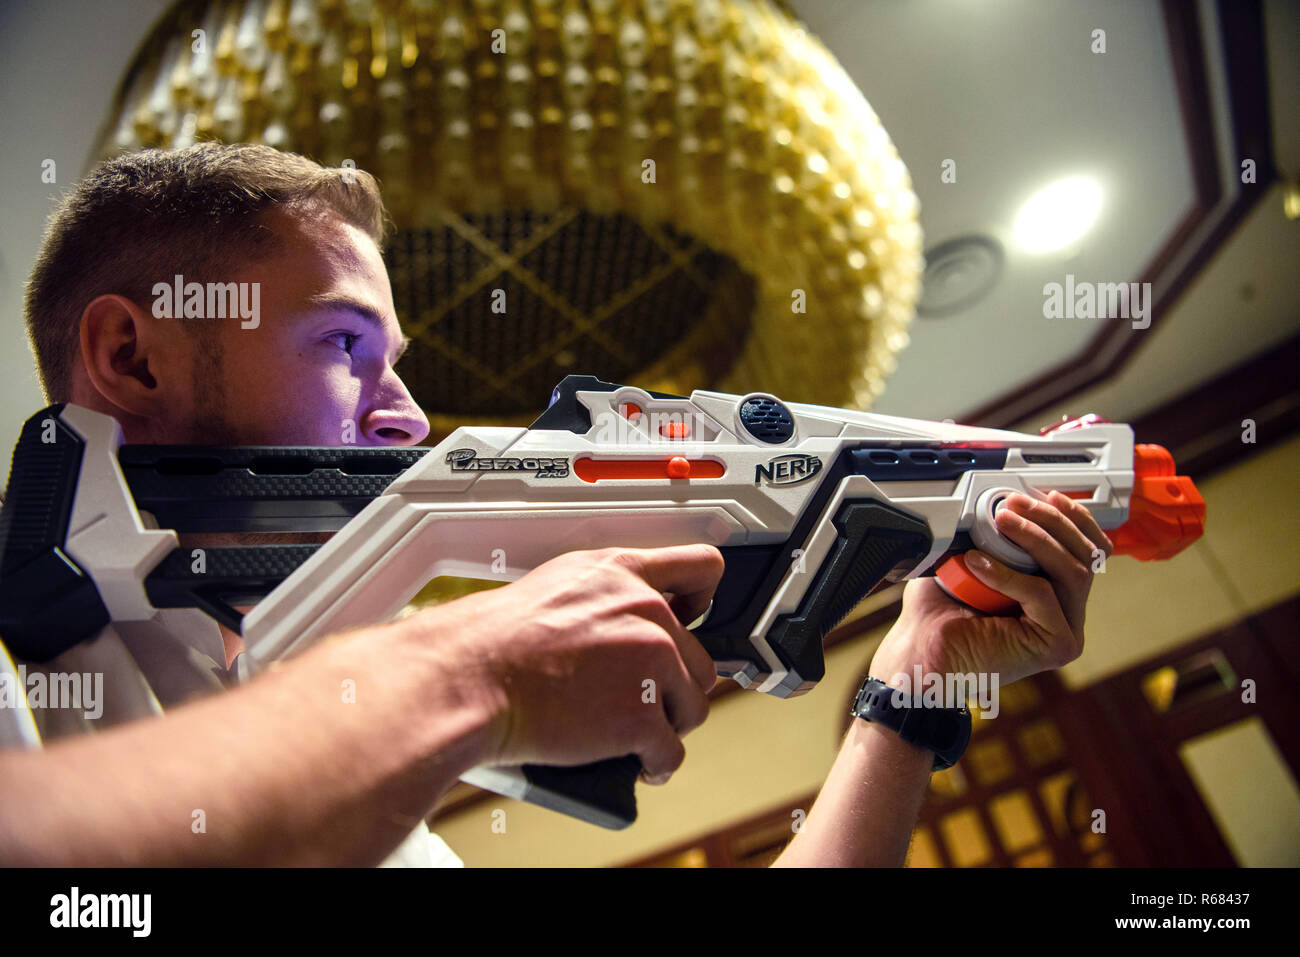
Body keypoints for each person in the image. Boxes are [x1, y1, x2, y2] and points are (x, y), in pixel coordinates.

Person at [0, 142, 1110, 867]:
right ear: (130, 357)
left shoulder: (367, 786)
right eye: (345, 344)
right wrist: (464, 671)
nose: (405, 415)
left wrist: (909, 699)